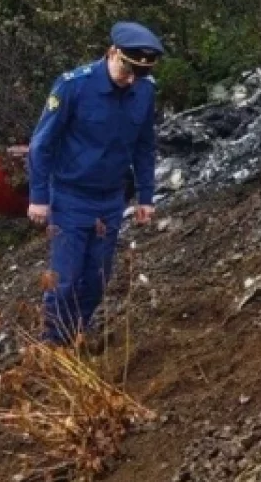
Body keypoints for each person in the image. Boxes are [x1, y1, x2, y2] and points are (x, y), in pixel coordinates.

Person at [26, 21, 164, 346]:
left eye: (138, 74)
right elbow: (41, 144)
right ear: (112, 52)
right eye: (126, 69)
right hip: (71, 197)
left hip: (111, 199)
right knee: (66, 279)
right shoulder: (73, 86)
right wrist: (38, 196)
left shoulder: (144, 92)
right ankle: (53, 347)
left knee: (97, 279)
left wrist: (146, 196)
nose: (130, 79)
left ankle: (76, 333)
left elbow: (145, 146)